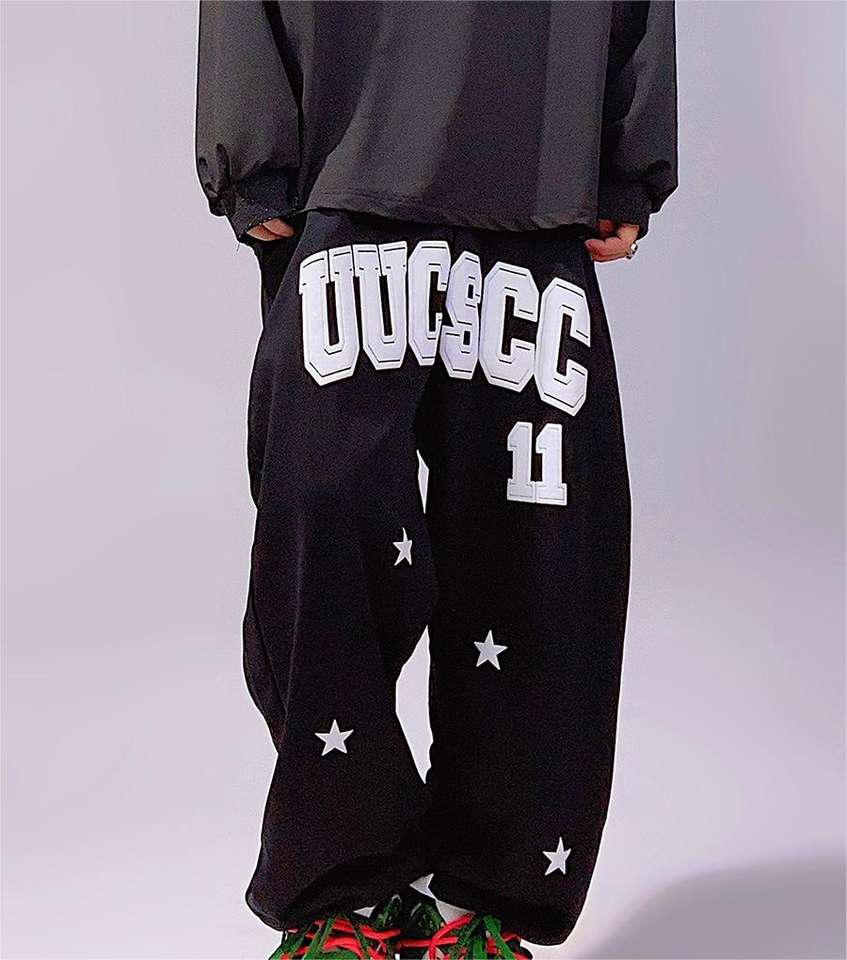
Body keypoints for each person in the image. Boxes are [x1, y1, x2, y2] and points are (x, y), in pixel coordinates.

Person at [195, 2, 677, 957]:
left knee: (537, 556)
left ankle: (482, 900)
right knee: (322, 530)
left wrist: (626, 155)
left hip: (533, 182)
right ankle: (344, 884)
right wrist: (251, 152)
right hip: (346, 169)